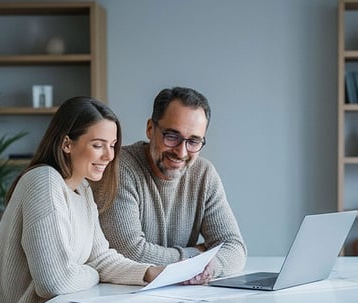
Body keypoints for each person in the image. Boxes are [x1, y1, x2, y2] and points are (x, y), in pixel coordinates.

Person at [0, 96, 165, 303]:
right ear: (67, 144)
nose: (109, 156)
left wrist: (149, 272)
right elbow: (54, 282)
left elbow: (100, 257)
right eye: (98, 145)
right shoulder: (43, 181)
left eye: (112, 145)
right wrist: (91, 272)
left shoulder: (82, 190)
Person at [94, 87, 247, 284]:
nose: (181, 152)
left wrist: (211, 266)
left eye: (193, 141)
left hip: (183, 298)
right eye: (172, 136)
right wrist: (197, 254)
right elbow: (130, 252)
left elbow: (235, 247)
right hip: (120, 296)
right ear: (150, 129)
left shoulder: (204, 174)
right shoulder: (120, 168)